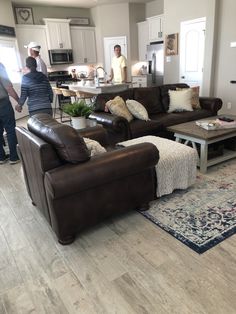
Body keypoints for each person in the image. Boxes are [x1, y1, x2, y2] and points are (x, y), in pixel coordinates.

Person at [0, 62, 20, 164]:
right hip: (2, 104)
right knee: (10, 129)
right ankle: (14, 157)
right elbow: (8, 88)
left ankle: (1, 157)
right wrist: (19, 101)